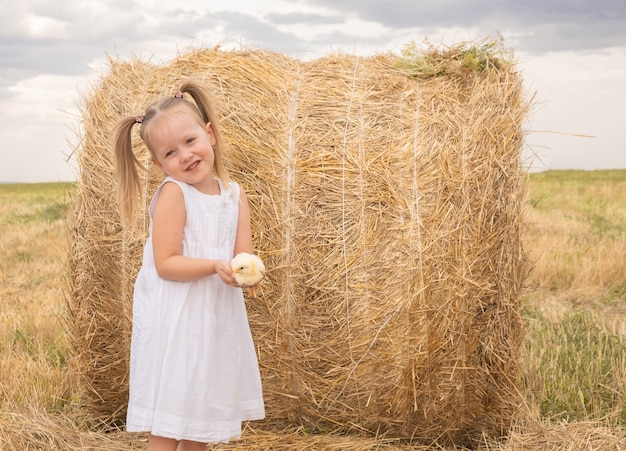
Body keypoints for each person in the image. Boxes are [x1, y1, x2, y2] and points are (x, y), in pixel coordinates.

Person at [113, 80, 265, 451]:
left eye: (190, 141)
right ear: (157, 163)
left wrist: (245, 277)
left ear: (209, 134)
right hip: (176, 318)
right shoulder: (173, 193)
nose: (184, 155)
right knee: (170, 418)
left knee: (201, 418)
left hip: (214, 318)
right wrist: (216, 266)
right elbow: (166, 264)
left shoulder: (234, 194)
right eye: (170, 152)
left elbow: (241, 256)